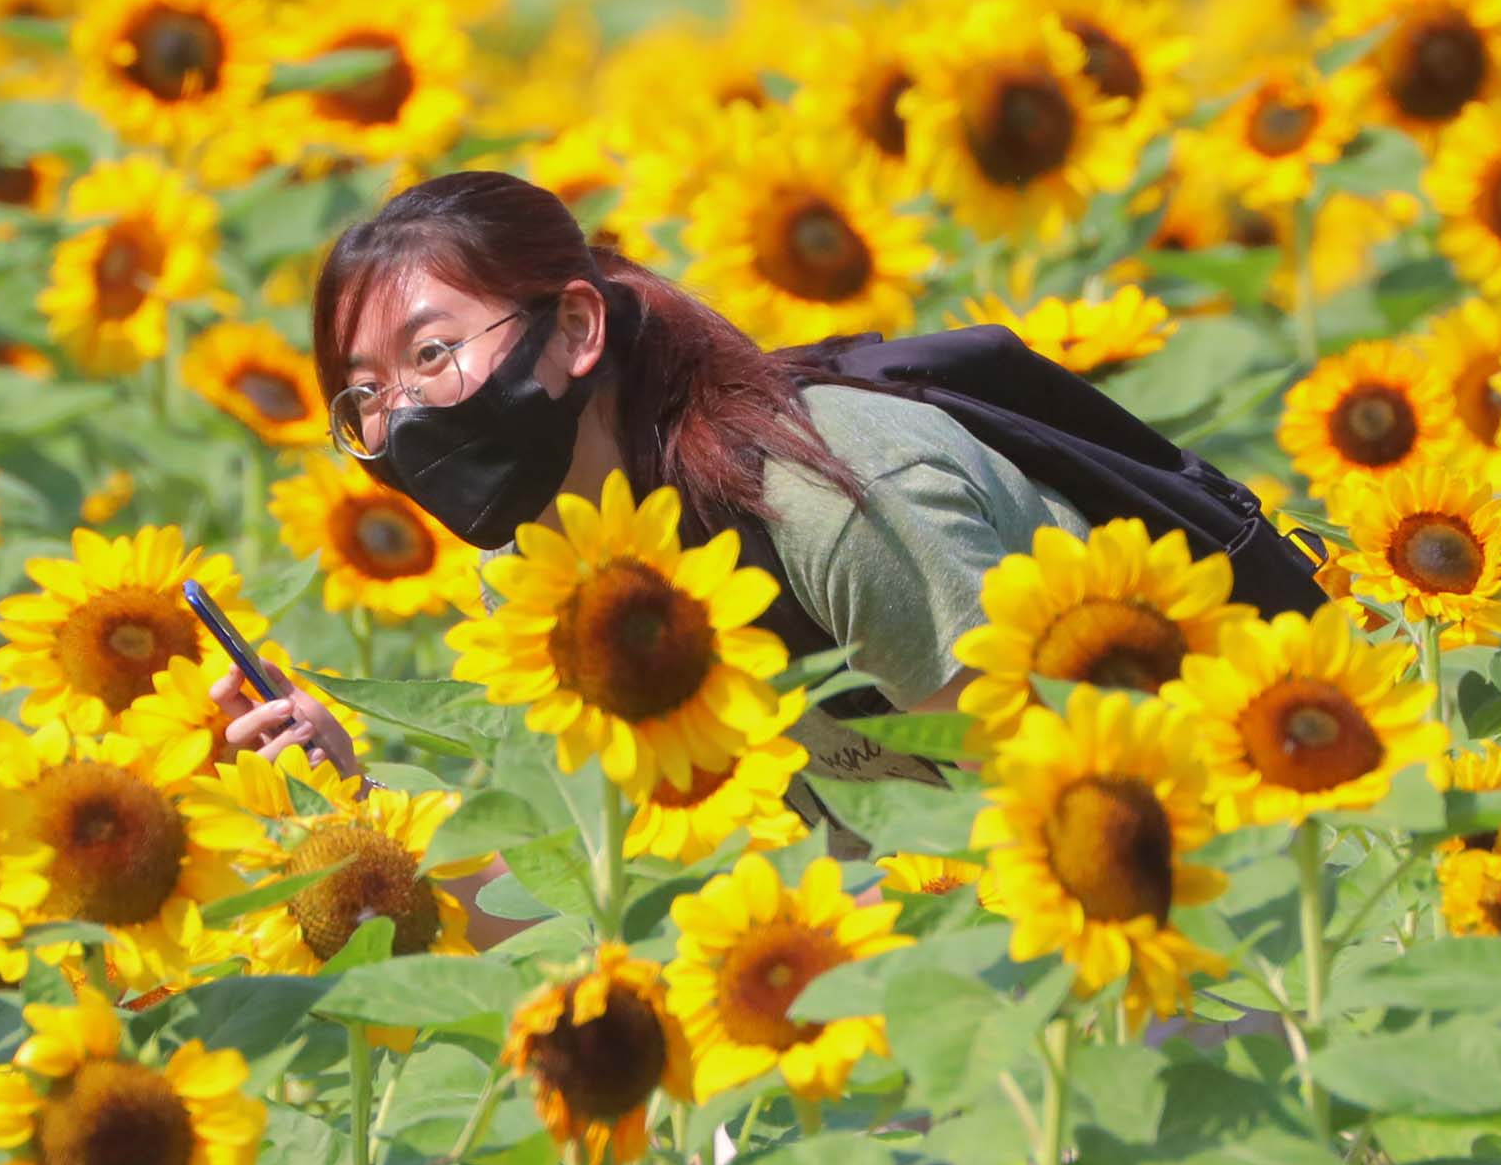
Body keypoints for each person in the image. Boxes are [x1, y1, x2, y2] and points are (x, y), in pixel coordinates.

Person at [213, 168, 1096, 801]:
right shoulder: (544, 583)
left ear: (575, 329)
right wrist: (344, 796)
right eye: (363, 393)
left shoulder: (830, 507)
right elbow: (573, 900)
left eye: (432, 354)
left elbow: (1036, 809)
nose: (399, 416)